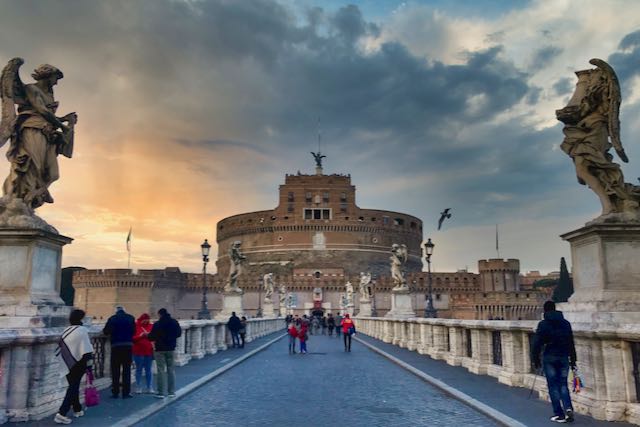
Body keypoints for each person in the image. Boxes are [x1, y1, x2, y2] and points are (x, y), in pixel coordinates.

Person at [531, 301, 576, 423]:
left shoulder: (543, 324)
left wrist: (535, 360)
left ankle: (559, 414)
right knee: (563, 384)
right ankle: (568, 408)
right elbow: (571, 342)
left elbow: (536, 344)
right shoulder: (566, 324)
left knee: (553, 386)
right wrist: (573, 359)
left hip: (549, 357)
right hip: (563, 357)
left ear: (545, 311)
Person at [54, 309, 93, 425]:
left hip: (67, 362)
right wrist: (89, 366)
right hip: (79, 363)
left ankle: (77, 409)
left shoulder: (67, 330)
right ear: (81, 319)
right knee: (73, 387)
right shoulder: (82, 331)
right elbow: (86, 350)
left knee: (73, 386)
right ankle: (61, 413)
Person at [148, 308, 182, 399]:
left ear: (160, 314)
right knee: (171, 370)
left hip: (159, 349)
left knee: (161, 370)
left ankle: (161, 393)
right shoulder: (174, 322)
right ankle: (171, 392)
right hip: (171, 348)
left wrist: (147, 335)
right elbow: (179, 334)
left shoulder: (157, 324)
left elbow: (151, 337)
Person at [103, 306, 135, 399]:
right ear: (124, 311)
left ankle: (115, 392)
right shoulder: (130, 318)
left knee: (115, 370)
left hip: (116, 346)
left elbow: (106, 331)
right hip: (128, 346)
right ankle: (126, 392)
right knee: (126, 370)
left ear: (116, 311)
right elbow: (134, 331)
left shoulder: (112, 319)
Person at [133, 313, 154, 394]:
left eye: (147, 320)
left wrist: (149, 335)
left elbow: (154, 336)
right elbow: (132, 338)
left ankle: (149, 387)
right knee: (139, 370)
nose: (146, 322)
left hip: (149, 351)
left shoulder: (151, 326)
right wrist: (141, 336)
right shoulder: (135, 326)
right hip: (138, 352)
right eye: (144, 320)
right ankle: (138, 387)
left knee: (148, 370)